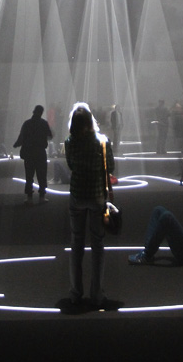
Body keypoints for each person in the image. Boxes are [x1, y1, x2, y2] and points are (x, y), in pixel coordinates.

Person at [65, 102, 115, 307]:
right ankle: (97, 294)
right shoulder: (102, 141)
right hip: (97, 196)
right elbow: (110, 167)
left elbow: (70, 165)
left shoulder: (70, 142)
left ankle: (76, 292)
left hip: (77, 195)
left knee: (76, 244)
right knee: (98, 245)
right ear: (90, 121)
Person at [13, 104, 53, 204]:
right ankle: (42, 196)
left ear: (33, 111)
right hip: (40, 151)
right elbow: (50, 135)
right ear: (41, 113)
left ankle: (29, 196)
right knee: (42, 174)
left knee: (29, 175)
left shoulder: (27, 123)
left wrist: (16, 144)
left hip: (29, 152)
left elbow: (21, 137)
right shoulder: (44, 123)